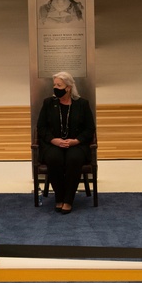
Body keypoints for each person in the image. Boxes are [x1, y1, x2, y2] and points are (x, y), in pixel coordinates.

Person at [35, 71, 95, 214]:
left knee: (73, 159)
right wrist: (54, 140)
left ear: (68, 87)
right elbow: (41, 127)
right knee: (54, 158)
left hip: (76, 144)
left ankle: (68, 200)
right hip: (53, 144)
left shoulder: (82, 104)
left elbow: (89, 128)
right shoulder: (49, 103)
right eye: (54, 84)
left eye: (59, 85)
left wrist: (76, 141)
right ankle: (59, 198)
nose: (55, 87)